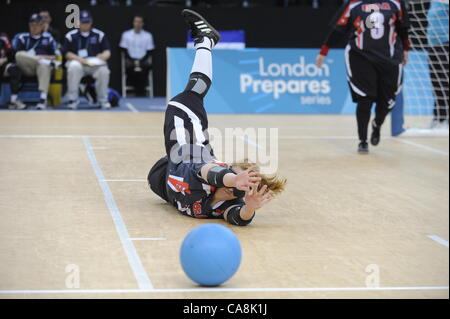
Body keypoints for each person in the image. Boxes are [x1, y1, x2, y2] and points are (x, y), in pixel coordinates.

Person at [147, 10, 286, 226]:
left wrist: (250, 207)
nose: (242, 185)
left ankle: (206, 40)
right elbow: (209, 172)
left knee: (193, 93)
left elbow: (238, 218)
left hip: (162, 181)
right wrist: (233, 179)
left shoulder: (229, 204)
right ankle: (206, 40)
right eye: (243, 178)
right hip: (188, 148)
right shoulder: (208, 172)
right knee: (191, 93)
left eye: (247, 184)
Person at [316, 0, 410, 153]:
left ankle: (377, 124)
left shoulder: (396, 3)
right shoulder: (353, 4)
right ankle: (363, 140)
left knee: (387, 102)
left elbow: (402, 27)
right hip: (360, 57)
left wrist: (406, 49)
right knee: (364, 99)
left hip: (390, 58)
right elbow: (338, 29)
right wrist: (324, 51)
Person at [63, 10, 111, 109]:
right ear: (78, 22)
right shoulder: (71, 36)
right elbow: (67, 53)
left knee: (104, 70)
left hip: (94, 64)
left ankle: (103, 100)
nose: (85, 24)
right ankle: (73, 99)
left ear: (91, 22)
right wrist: (79, 59)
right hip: (78, 63)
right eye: (83, 22)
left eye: (87, 22)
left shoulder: (99, 35)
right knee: (73, 66)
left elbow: (107, 51)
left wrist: (103, 56)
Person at [12, 13, 58, 110]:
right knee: (19, 55)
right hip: (26, 67)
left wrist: (43, 57)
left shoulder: (48, 38)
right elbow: (17, 56)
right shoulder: (22, 37)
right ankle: (40, 60)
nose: (34, 27)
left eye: (37, 24)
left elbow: (55, 57)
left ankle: (43, 99)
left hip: (41, 69)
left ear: (42, 26)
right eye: (32, 25)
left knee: (44, 66)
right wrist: (38, 58)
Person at [119, 15, 155, 96]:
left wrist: (140, 62)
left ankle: (141, 92)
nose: (138, 24)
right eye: (136, 21)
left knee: (146, 66)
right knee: (128, 66)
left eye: (140, 22)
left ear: (143, 23)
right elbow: (124, 50)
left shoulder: (148, 35)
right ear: (133, 23)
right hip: (130, 60)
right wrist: (133, 61)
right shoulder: (126, 35)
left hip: (143, 60)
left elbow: (149, 51)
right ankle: (134, 90)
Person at [427, 0, 449, 128]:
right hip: (433, 44)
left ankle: (445, 119)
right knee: (436, 82)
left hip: (446, 42)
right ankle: (439, 117)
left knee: (445, 81)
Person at [0, 33, 25, 109]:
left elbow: (11, 53)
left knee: (15, 69)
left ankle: (13, 100)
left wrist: (4, 59)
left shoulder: (3, 38)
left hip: (3, 65)